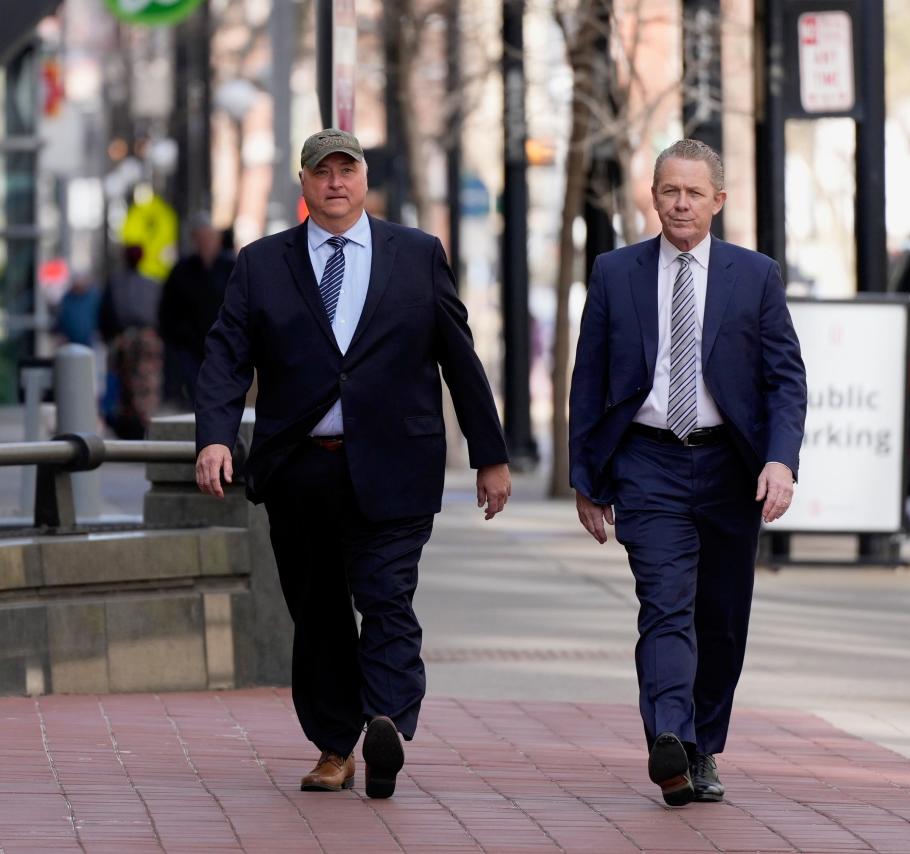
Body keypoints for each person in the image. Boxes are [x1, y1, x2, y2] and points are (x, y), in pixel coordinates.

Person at [194, 128, 511, 799]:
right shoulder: (261, 263)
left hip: (396, 462)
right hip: (300, 469)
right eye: (322, 172)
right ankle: (334, 748)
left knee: (387, 598)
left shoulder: (417, 255)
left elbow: (459, 358)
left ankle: (387, 720)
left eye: (347, 169)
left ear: (364, 177)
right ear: (303, 183)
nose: (335, 182)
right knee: (319, 614)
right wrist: (216, 438)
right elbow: (226, 357)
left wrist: (491, 457)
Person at [569, 139, 806, 806]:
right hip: (648, 460)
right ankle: (669, 740)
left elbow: (785, 379)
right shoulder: (616, 274)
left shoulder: (753, 276)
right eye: (669, 190)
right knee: (665, 605)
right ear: (653, 195)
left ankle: (703, 747)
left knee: (722, 617)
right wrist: (585, 475)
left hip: (731, 464)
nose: (680, 203)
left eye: (694, 193)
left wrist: (780, 459)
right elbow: (588, 380)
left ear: (718, 202)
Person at [159, 212, 235, 408]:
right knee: (196, 397)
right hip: (190, 347)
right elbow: (167, 311)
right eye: (200, 238)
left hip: (224, 345)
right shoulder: (182, 270)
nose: (205, 243)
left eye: (209, 237)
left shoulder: (231, 267)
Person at [99, 245, 164, 438]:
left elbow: (106, 315)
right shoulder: (150, 284)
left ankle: (135, 422)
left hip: (127, 338)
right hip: (140, 339)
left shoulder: (117, 283)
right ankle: (139, 422)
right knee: (140, 385)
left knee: (132, 384)